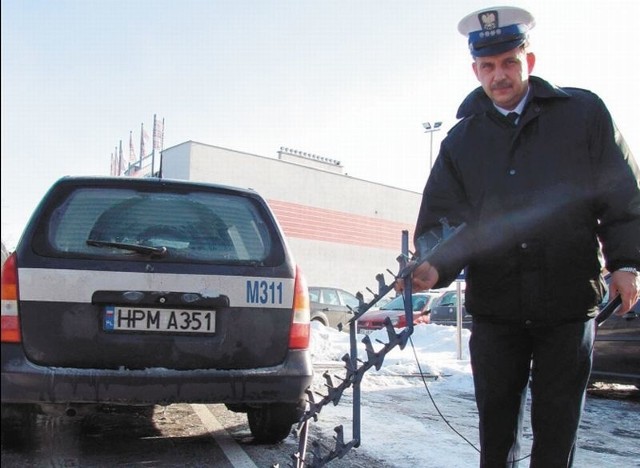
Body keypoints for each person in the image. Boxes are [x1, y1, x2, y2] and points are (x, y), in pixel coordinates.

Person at [403, 6, 640, 468]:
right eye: (488, 66)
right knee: (496, 436)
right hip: (497, 311)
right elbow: (443, 221)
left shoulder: (583, 115)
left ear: (528, 62)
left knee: (556, 435)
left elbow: (623, 196)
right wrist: (432, 265)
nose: (500, 75)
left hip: (567, 307)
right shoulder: (461, 142)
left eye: (509, 62)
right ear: (475, 70)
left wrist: (627, 263)